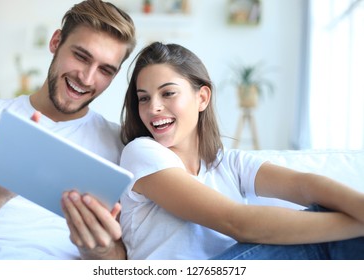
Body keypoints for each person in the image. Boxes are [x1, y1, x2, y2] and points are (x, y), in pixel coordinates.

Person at [117, 41, 364, 259]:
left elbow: (306, 185)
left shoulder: (229, 163)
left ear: (202, 98)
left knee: (325, 210)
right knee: (331, 235)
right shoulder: (141, 153)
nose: (154, 107)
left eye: (167, 93)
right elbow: (236, 222)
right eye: (144, 98)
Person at [0, 0, 136, 260]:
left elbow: (120, 263)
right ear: (55, 42)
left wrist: (99, 249)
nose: (86, 78)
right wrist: (1, 186)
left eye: (105, 70)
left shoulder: (122, 147)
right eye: (81, 56)